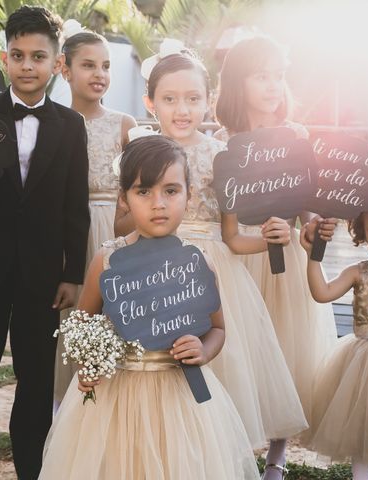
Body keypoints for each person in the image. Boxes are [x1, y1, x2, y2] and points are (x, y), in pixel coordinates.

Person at [116, 40, 309, 478]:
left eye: (192, 99)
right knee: (160, 371)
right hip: (151, 272)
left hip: (212, 273)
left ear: (208, 102)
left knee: (215, 375)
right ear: (151, 103)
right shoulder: (136, 153)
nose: (182, 109)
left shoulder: (222, 156)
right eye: (170, 99)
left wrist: (273, 240)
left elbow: (233, 237)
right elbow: (119, 229)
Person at [40, 135, 259, 479]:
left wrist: (203, 348)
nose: (158, 203)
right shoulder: (108, 259)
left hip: (178, 397)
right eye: (144, 191)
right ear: (123, 199)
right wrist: (88, 363)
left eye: (171, 191)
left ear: (189, 196)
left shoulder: (198, 262)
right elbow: (81, 323)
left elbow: (218, 329)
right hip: (117, 396)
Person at [0, 6, 90, 479]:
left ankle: (32, 468)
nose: (28, 66)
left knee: (34, 381)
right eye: (19, 55)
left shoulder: (71, 126)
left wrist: (71, 275)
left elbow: (75, 207)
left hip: (43, 277)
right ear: (5, 58)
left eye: (39, 57)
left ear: (55, 64)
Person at [215, 36, 338, 477]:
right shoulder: (224, 143)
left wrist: (313, 222)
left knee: (286, 348)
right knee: (244, 349)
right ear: (237, 83)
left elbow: (305, 200)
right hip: (242, 254)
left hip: (284, 256)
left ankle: (277, 452)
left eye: (278, 76)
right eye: (260, 75)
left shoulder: (296, 137)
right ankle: (236, 442)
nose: (272, 85)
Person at [52, 21, 137, 409]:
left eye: (105, 66)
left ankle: (114, 404)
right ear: (64, 69)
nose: (99, 74)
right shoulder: (52, 123)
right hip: (67, 233)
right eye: (88, 65)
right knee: (73, 318)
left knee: (114, 314)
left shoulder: (124, 125)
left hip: (114, 231)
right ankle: (70, 409)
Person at [300, 201, 368, 480]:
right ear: (362, 233)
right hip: (364, 364)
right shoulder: (358, 271)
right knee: (365, 431)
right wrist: (314, 257)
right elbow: (322, 293)